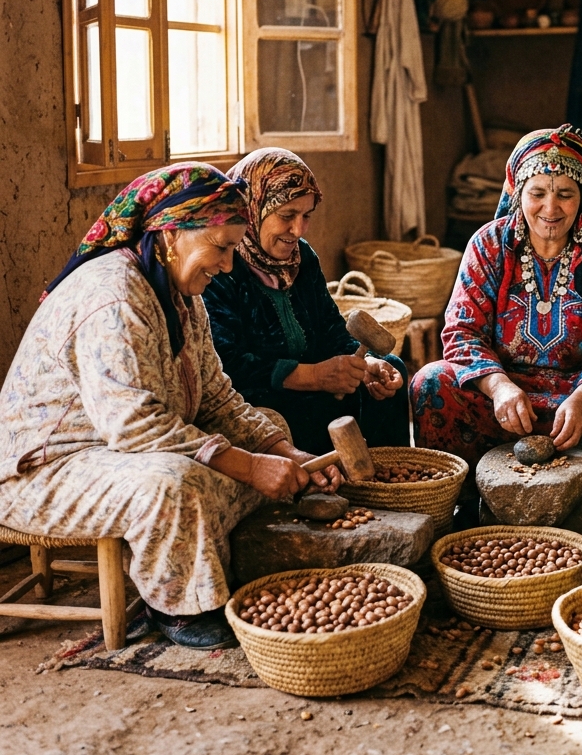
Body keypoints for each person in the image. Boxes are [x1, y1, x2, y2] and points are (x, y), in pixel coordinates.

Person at [0, 165, 342, 650]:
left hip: (117, 452)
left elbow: (217, 397)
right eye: (221, 248)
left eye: (233, 249)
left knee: (271, 424)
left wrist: (284, 452)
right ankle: (176, 606)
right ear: (171, 234)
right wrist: (249, 467)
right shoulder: (114, 296)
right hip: (43, 472)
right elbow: (135, 426)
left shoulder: (181, 293)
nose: (228, 265)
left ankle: (206, 554)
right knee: (174, 483)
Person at [411, 124, 582, 479]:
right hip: (502, 399)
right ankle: (461, 497)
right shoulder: (488, 244)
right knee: (431, 381)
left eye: (565, 194)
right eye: (537, 193)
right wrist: (499, 387)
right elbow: (462, 332)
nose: (551, 208)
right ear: (518, 192)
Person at [203, 148, 408, 457]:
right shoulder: (223, 267)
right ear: (251, 209)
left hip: (318, 391)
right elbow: (227, 366)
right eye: (287, 216)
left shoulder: (303, 258)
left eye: (306, 216)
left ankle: (389, 475)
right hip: (266, 396)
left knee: (389, 370)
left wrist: (364, 364)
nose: (298, 230)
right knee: (286, 411)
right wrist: (313, 376)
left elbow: (331, 328)